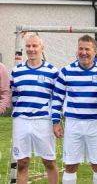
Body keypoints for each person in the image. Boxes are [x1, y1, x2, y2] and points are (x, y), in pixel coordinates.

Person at [52, 35, 97, 184]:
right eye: (81, 49)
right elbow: (57, 98)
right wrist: (56, 122)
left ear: (95, 51)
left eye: (87, 49)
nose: (83, 52)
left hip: (96, 123)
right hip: (73, 123)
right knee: (70, 165)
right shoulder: (66, 71)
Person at [10, 34, 59, 184]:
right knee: (22, 163)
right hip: (21, 121)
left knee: (49, 162)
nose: (31, 49)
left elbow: (57, 98)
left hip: (43, 121)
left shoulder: (53, 71)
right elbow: (14, 97)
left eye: (35, 46)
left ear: (42, 48)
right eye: (28, 46)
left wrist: (56, 120)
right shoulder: (16, 71)